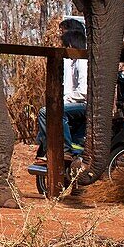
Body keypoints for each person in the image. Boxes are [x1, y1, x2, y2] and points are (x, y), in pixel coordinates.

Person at [34, 21, 88, 158]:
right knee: (48, 110)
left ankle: (64, 149)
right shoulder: (74, 62)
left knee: (47, 112)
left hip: (82, 103)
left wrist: (64, 100)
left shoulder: (82, 62)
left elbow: (83, 92)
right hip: (73, 100)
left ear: (71, 45)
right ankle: (47, 149)